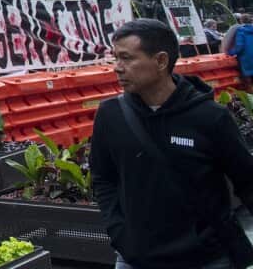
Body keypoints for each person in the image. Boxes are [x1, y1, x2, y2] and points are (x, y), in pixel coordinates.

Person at [90, 18, 253, 269]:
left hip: (207, 258)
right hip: (137, 258)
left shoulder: (210, 117)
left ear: (161, 61)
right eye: (115, 58)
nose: (117, 68)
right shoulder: (111, 115)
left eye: (127, 58)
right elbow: (103, 178)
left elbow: (247, 182)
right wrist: (120, 234)